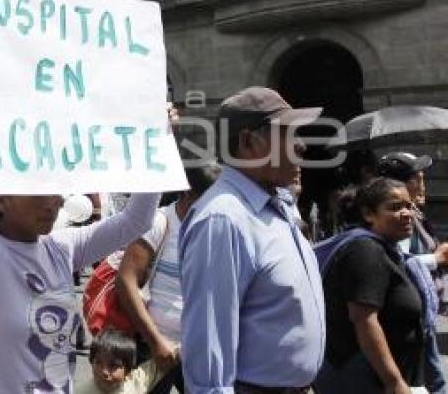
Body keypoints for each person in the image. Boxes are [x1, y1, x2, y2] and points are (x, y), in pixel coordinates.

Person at [0, 57, 162, 393]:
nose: (54, 200)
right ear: (1, 198)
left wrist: (160, 144)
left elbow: (135, 220)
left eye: (56, 188)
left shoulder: (63, 248)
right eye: (39, 190)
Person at [179, 86, 326, 393]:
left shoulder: (276, 206)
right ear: (247, 141)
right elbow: (209, 348)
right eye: (287, 134)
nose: (301, 146)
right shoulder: (223, 219)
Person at [115, 161, 220, 393]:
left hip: (196, 349)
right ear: (189, 193)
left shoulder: (215, 226)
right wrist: (155, 341)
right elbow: (125, 281)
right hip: (153, 347)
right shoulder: (160, 221)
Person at [314, 177, 426, 392]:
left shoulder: (387, 250)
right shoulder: (365, 251)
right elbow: (364, 320)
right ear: (368, 214)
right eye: (395, 207)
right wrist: (393, 381)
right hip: (364, 379)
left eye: (409, 206)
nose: (407, 213)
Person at [376, 152, 447, 393]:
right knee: (432, 380)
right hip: (409, 314)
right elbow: (398, 260)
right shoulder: (400, 219)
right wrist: (435, 259)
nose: (423, 185)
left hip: (420, 313)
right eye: (418, 178)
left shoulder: (415, 214)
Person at [75, 330, 163, 394]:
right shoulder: (81, 391)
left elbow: (164, 359)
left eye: (113, 365)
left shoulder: (136, 382)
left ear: (128, 371)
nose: (104, 371)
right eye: (98, 362)